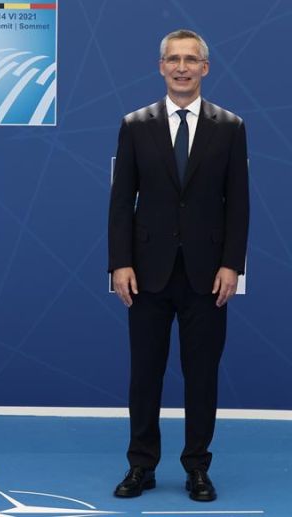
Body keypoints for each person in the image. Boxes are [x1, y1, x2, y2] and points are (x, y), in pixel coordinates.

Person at [108, 29, 249, 503]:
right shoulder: (134, 124)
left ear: (205, 68)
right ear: (161, 66)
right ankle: (141, 467)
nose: (183, 67)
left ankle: (197, 468)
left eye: (192, 60)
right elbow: (121, 201)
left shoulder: (230, 126)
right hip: (146, 274)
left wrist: (233, 265)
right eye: (174, 59)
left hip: (209, 277)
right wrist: (119, 263)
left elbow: (240, 205)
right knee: (144, 374)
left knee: (202, 375)